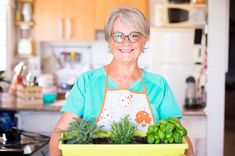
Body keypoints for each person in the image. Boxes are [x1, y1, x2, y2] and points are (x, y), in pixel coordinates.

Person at [49, 7, 194, 156]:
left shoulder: (159, 85)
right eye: (118, 36)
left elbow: (179, 135)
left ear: (144, 40)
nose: (126, 42)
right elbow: (60, 133)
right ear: (109, 41)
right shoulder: (87, 82)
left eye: (134, 36)